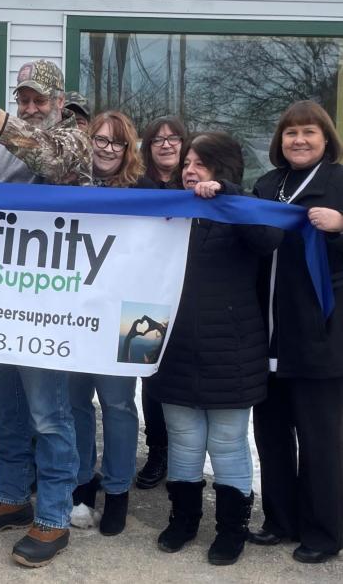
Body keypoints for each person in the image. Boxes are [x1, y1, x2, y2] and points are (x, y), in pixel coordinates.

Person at [0, 59, 91, 567]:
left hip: (47, 302)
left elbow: (51, 162)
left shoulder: (75, 137)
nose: (30, 107)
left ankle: (53, 515)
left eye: (38, 100)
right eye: (23, 98)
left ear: (57, 101)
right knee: (0, 403)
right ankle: (11, 497)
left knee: (49, 414)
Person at [148, 132, 282, 565]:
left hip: (232, 350)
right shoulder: (166, 209)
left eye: (200, 163)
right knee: (184, 441)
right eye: (187, 162)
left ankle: (231, 530)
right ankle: (183, 520)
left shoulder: (243, 211)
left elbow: (268, 239)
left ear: (222, 170)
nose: (189, 170)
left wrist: (230, 198)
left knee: (227, 444)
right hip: (173, 348)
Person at [251, 100, 343, 565]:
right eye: (290, 133)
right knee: (271, 435)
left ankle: (325, 531)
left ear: (326, 139)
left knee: (320, 439)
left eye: (309, 132)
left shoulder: (339, 184)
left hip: (319, 336)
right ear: (279, 141)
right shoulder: (267, 185)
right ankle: (279, 520)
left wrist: (342, 225)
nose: (299, 140)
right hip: (265, 335)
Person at [68, 112, 151, 536]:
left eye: (116, 143)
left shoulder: (146, 191)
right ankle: (83, 485)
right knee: (76, 403)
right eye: (99, 139)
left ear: (128, 150)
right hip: (75, 313)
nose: (106, 148)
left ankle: (117, 490)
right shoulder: (69, 186)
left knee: (119, 406)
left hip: (132, 317)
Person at [135, 115, 188, 490]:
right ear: (148, 147)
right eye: (158, 140)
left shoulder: (196, 183)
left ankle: (183, 454)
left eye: (173, 138)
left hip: (190, 294)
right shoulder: (136, 185)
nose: (166, 144)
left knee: (182, 374)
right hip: (146, 295)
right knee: (151, 373)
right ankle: (157, 451)